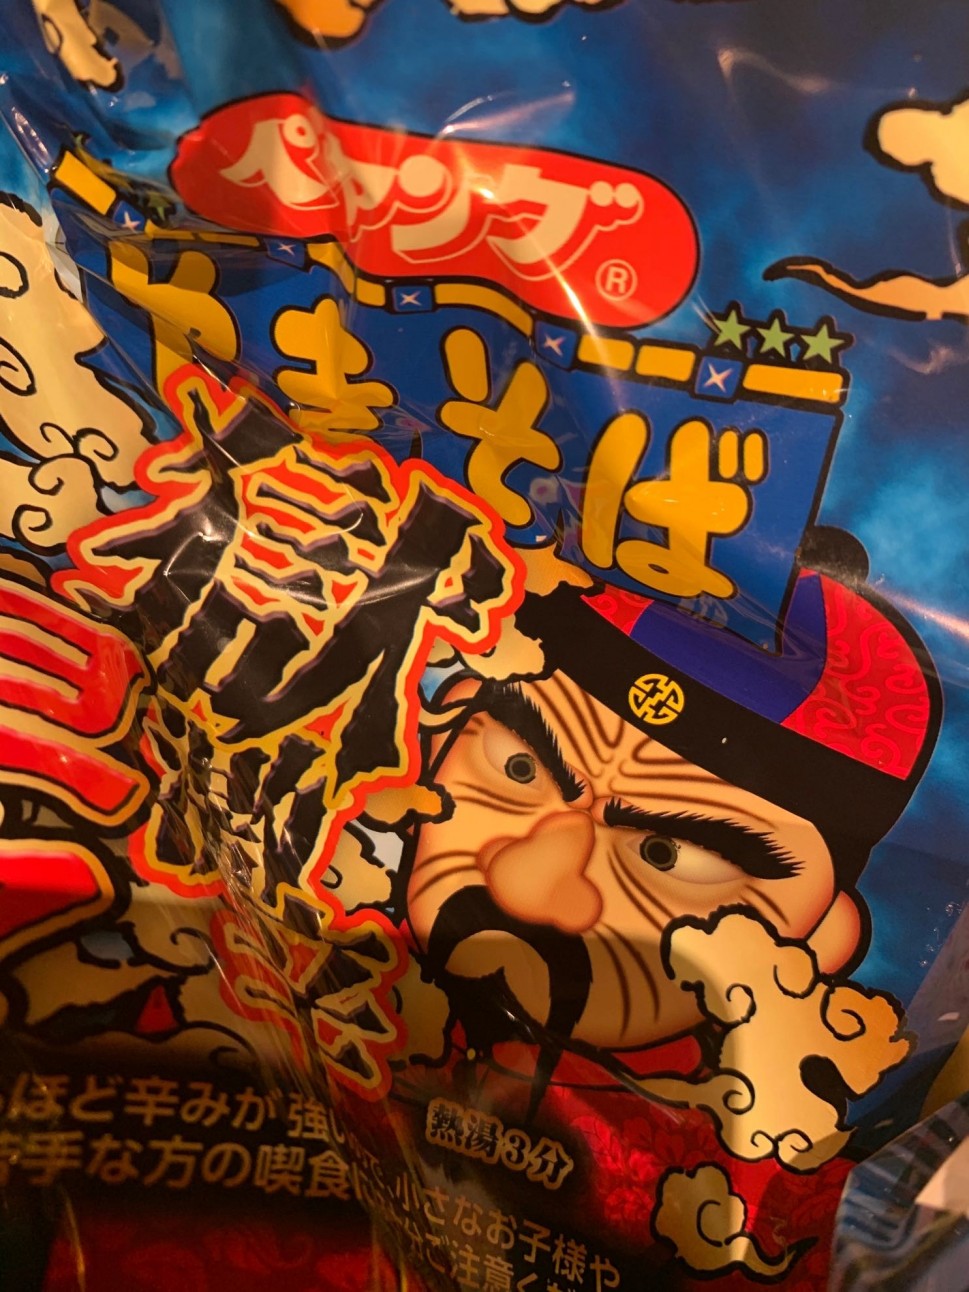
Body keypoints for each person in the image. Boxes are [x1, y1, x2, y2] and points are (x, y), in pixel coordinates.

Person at [399, 552, 941, 1096]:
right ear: (443, 734)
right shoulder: (364, 990)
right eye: (518, 768)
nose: (523, 886)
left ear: (818, 942)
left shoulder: (736, 1124)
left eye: (664, 854)